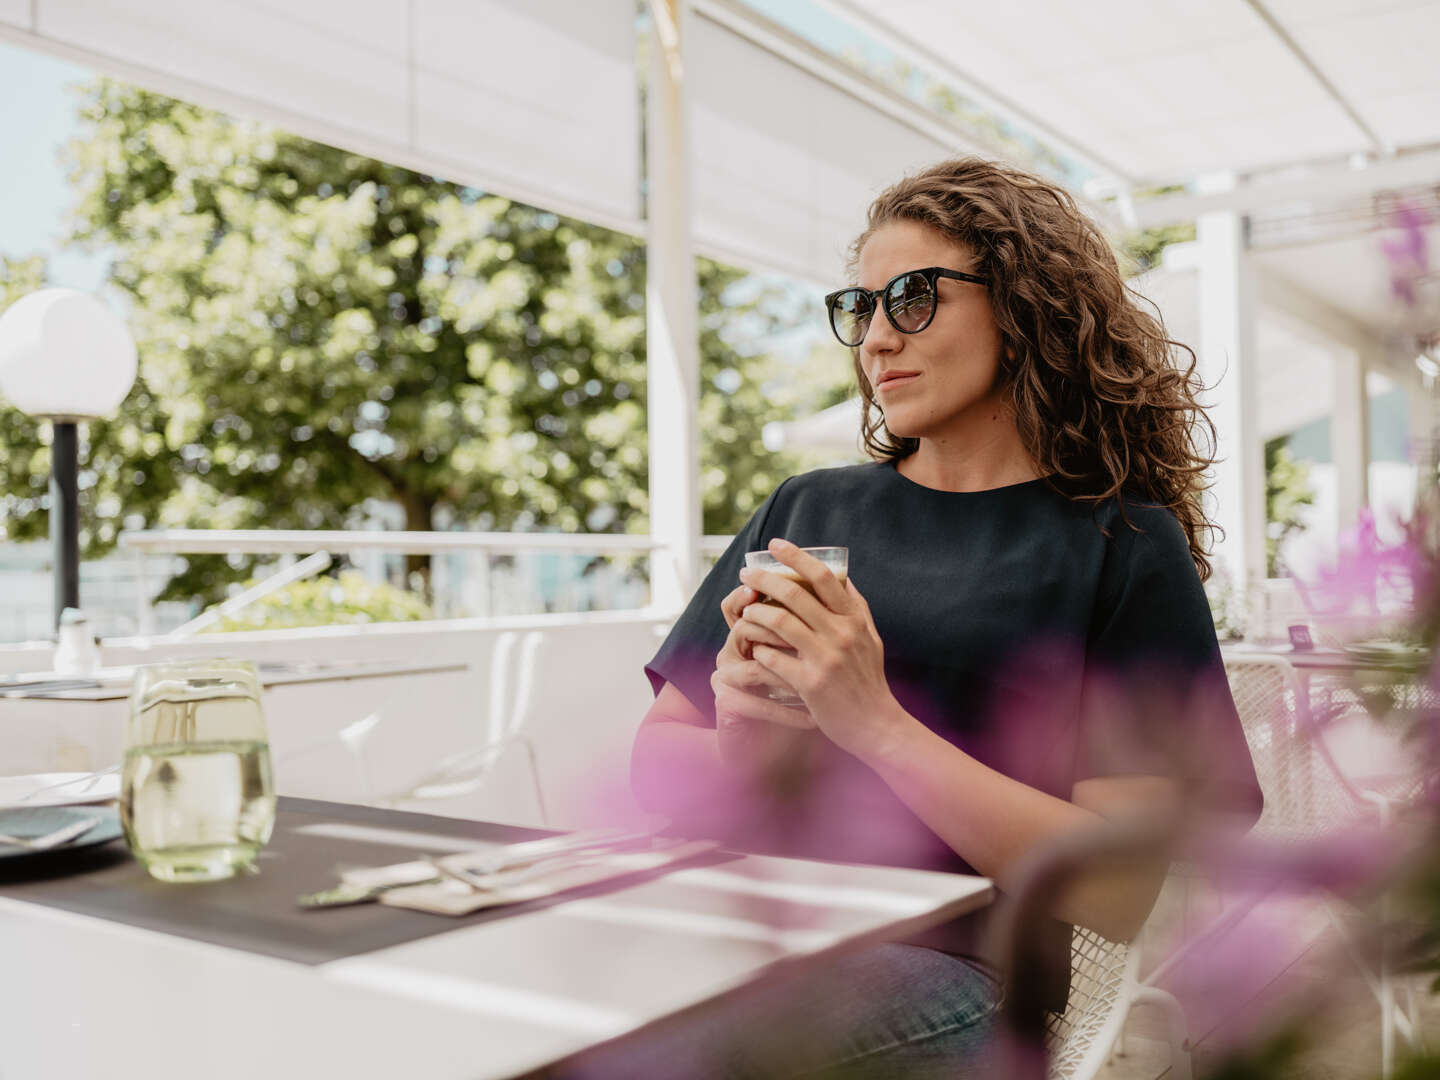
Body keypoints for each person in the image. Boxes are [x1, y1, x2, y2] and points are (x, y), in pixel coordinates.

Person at [583, 158, 1262, 1078]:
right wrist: (747, 761)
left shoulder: (1121, 541)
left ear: (1026, 311)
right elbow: (656, 763)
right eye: (862, 308)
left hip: (951, 961)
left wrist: (876, 729)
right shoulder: (808, 508)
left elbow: (1116, 887)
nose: (873, 340)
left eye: (911, 299)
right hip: (743, 915)